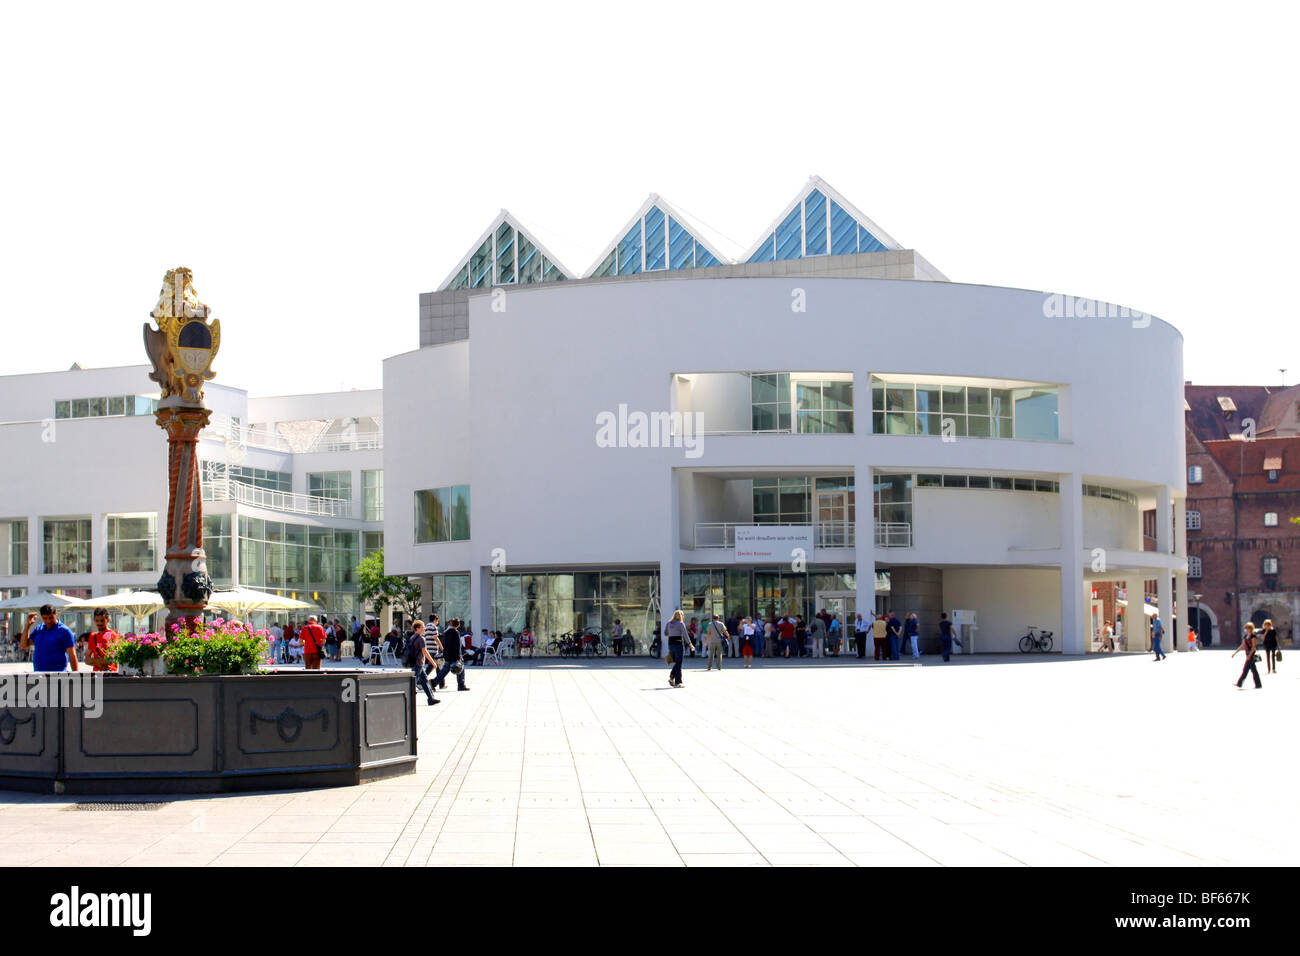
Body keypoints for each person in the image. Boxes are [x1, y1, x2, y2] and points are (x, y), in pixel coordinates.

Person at [20, 606, 79, 672]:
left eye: (51, 617)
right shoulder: (38, 629)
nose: (48, 621)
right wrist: (27, 625)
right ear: (41, 617)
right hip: (39, 674)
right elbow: (23, 645)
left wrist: (76, 675)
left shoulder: (65, 631)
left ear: (56, 614)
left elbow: (72, 655)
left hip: (58, 674)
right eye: (45, 618)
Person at [404, 620, 441, 706]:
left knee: (425, 681)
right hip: (418, 663)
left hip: (414, 662)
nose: (424, 628)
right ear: (417, 629)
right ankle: (406, 698)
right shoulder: (421, 639)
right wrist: (433, 662)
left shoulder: (413, 637)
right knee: (413, 684)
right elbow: (425, 652)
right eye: (422, 627)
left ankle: (431, 699)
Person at [435, 618, 469, 691]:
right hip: (454, 656)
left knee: (445, 670)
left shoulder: (446, 632)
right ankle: (461, 685)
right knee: (460, 668)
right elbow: (457, 646)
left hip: (447, 654)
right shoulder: (455, 632)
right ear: (458, 625)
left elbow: (446, 644)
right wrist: (458, 657)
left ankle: (434, 682)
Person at [664, 609, 693, 687]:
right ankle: (677, 681)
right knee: (679, 663)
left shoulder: (668, 623)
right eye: (682, 615)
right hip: (678, 644)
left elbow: (665, 633)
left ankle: (673, 677)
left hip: (670, 644)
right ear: (680, 616)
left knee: (677, 663)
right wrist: (690, 645)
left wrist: (671, 632)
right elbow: (685, 635)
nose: (683, 616)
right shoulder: (681, 624)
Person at [1232, 623, 1262, 689]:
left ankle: (1239, 683)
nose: (1248, 629)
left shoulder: (1253, 636)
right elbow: (1243, 645)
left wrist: (1249, 655)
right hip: (1247, 654)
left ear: (1252, 628)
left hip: (1251, 654)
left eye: (1249, 628)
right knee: (1254, 670)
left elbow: (1254, 646)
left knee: (1245, 669)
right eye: (1247, 628)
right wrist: (1235, 652)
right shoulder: (1246, 636)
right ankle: (1258, 684)